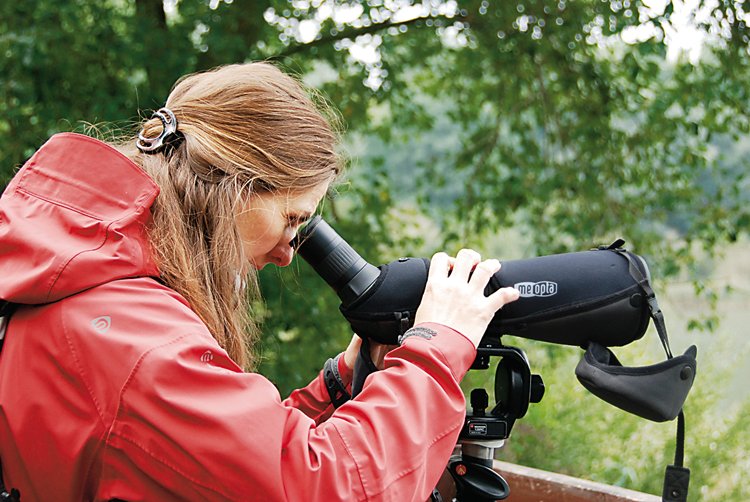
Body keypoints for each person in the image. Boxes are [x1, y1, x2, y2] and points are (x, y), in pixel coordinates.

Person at [0, 62, 519, 501]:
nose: (288, 254)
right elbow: (321, 486)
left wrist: (335, 386)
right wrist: (437, 350)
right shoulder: (140, 345)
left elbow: (216, 467)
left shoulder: (87, 281)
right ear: (231, 186)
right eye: (292, 219)